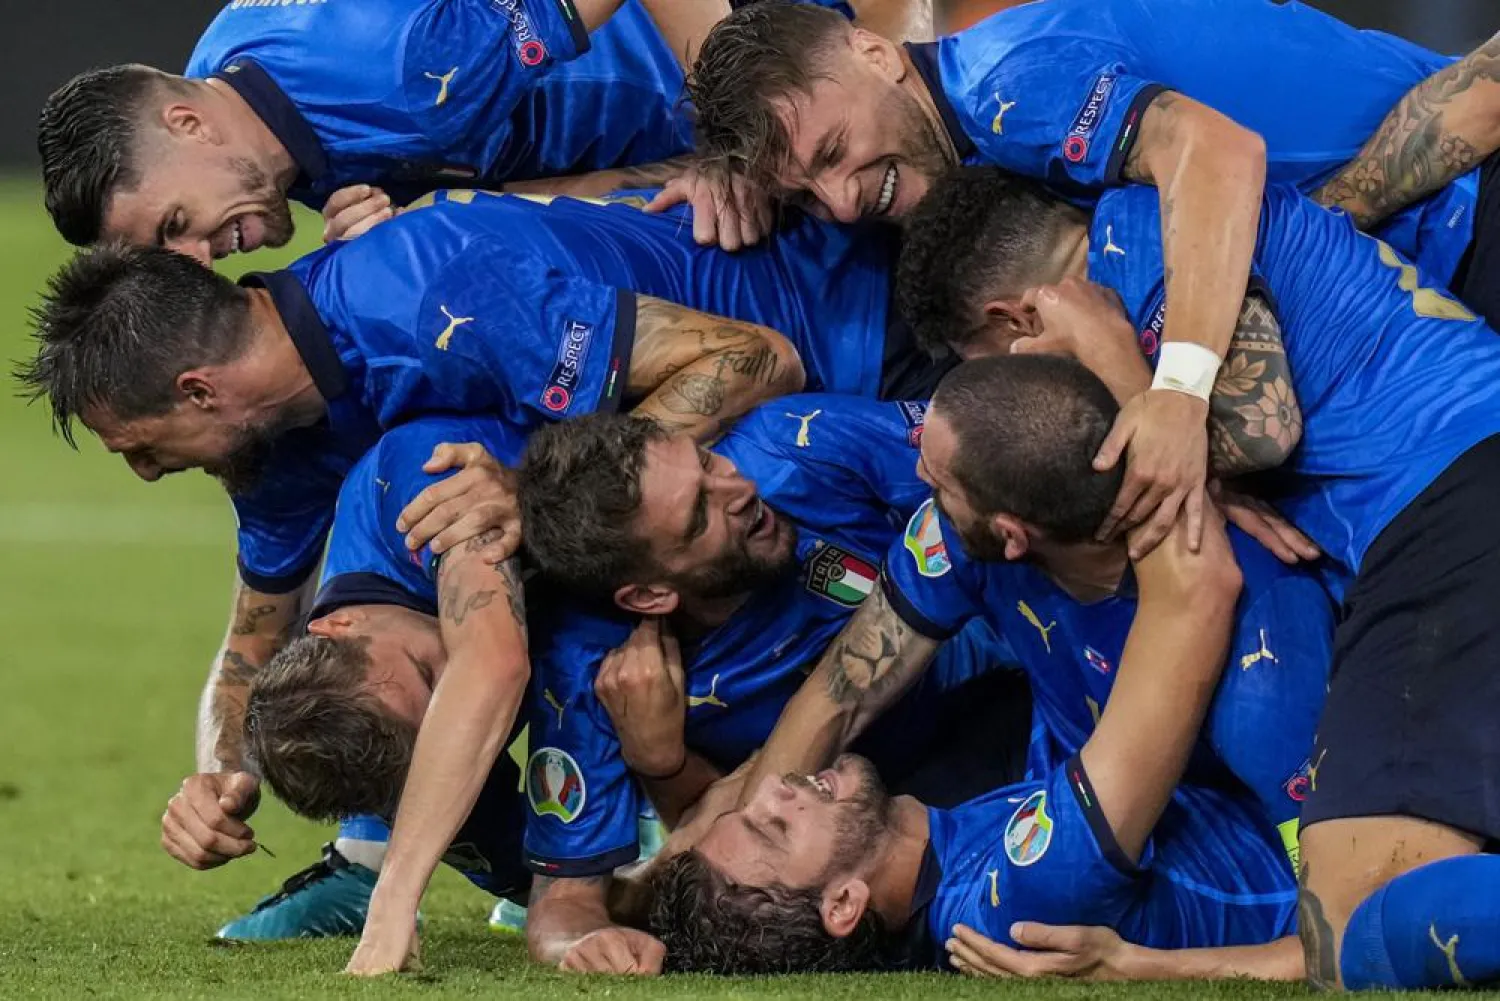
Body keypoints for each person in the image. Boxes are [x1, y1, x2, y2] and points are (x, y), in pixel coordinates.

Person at [15, 216, 803, 974]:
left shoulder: (419, 299)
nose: (146, 474)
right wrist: (225, 771)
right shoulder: (276, 462)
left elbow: (755, 360)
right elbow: (254, 645)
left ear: (197, 391)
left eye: (142, 447)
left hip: (806, 371)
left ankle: (378, 864)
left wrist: (541, 497)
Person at [898, 167, 1500, 991]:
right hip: (1448, 494)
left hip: (1454, 501)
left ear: (1020, 319)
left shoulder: (1150, 262)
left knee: (1362, 931)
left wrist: (1143, 966)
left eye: (991, 363)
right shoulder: (1154, 238)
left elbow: (1260, 433)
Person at [683, 0, 1495, 560]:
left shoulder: (1007, 84)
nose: (842, 200)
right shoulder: (970, 152)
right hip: (1417, 294)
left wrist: (1180, 396)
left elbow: (1215, 155)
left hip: (1469, 199)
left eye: (831, 154)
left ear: (873, 53)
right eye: (803, 195)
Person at [646, 373, 1301, 974]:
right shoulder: (1022, 900)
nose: (769, 787)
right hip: (1318, 848)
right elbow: (1200, 590)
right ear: (844, 903)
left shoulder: (941, 852)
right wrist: (1182, 425)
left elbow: (838, 692)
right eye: (773, 824)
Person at [514, 396, 1028, 974]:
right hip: (870, 822)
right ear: (649, 596)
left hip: (1013, 693)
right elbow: (565, 904)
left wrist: (666, 769)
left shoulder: (796, 444)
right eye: (699, 516)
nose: (739, 490)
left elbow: (1004, 456)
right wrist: (582, 946)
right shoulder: (593, 663)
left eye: (707, 461)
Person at [38, 0, 694, 262]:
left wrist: (750, 133)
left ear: (187, 124)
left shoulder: (407, 81)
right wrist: (424, 219)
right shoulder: (217, 76)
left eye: (175, 225)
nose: (198, 262)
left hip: (730, 65)